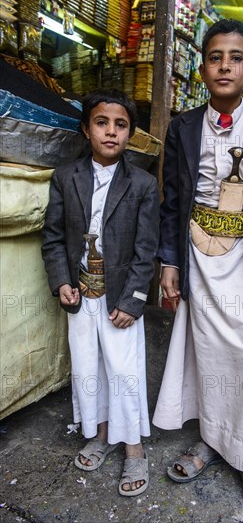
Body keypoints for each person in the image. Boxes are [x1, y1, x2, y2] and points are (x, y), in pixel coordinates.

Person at [152, 19, 243, 517]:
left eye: (235, 58)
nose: (224, 66)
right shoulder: (183, 127)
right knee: (204, 353)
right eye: (215, 57)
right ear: (202, 68)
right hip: (196, 253)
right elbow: (173, 200)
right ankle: (213, 441)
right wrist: (169, 262)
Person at [42, 88, 160, 496]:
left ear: (130, 134)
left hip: (119, 296)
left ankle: (133, 449)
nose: (111, 132)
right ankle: (101, 433)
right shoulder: (66, 177)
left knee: (124, 372)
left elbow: (147, 251)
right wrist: (61, 282)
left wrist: (134, 301)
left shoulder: (143, 184)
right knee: (89, 369)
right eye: (102, 122)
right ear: (86, 128)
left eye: (121, 125)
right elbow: (54, 237)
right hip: (81, 293)